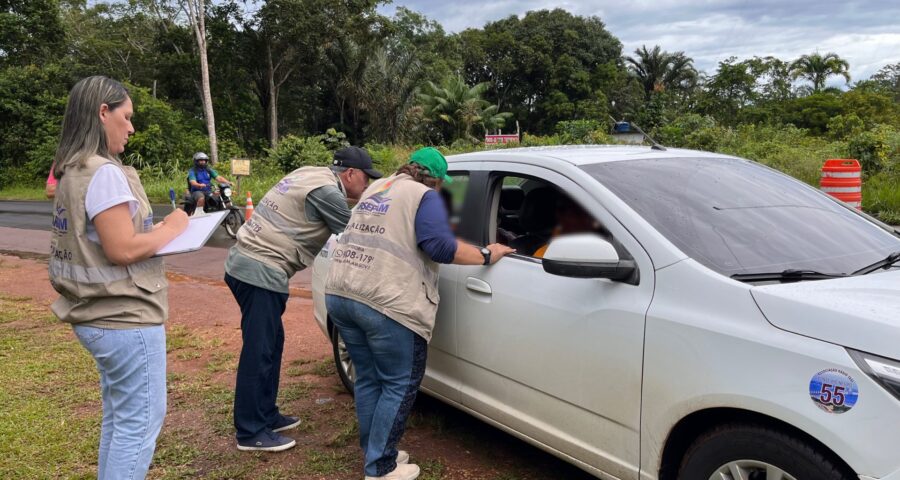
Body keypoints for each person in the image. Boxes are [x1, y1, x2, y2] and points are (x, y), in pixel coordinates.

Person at [325, 147, 515, 480]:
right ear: (434, 179)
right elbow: (439, 246)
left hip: (342, 292)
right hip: (383, 302)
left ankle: (375, 452)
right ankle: (381, 467)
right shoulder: (423, 195)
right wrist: (487, 253)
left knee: (369, 378)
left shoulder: (378, 187)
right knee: (398, 383)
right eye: (441, 184)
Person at [48, 76, 189, 480]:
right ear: (102, 113)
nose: (131, 128)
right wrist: (174, 226)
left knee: (121, 418)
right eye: (126, 117)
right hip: (123, 315)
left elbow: (105, 238)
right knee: (139, 423)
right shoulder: (103, 172)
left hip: (92, 312)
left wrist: (152, 232)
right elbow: (122, 249)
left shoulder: (70, 170)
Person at [224, 145, 382, 452]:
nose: (367, 187)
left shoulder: (309, 173)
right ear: (350, 174)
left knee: (271, 343)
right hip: (260, 270)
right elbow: (357, 236)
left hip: (246, 263)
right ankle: (250, 431)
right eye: (366, 179)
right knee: (259, 351)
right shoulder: (328, 194)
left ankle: (267, 414)